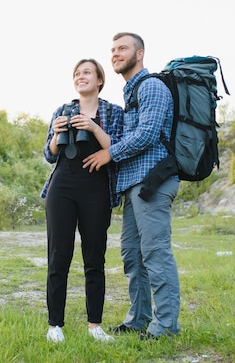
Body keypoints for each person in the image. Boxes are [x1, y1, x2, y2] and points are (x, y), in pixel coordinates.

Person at [83, 32, 181, 340]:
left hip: (152, 181)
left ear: (139, 54)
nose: (115, 54)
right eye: (112, 50)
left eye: (122, 48)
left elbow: (149, 133)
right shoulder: (131, 93)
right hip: (133, 185)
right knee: (132, 255)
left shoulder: (151, 86)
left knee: (155, 252)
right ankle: (138, 318)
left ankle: (165, 326)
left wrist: (108, 153)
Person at [41, 58, 125, 343]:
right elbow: (50, 154)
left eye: (87, 72)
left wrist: (91, 127)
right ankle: (55, 326)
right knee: (58, 256)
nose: (81, 76)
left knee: (94, 258)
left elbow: (119, 149)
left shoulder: (113, 112)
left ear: (99, 80)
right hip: (62, 186)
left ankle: (95, 326)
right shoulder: (62, 110)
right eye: (77, 73)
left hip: (96, 188)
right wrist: (56, 133)